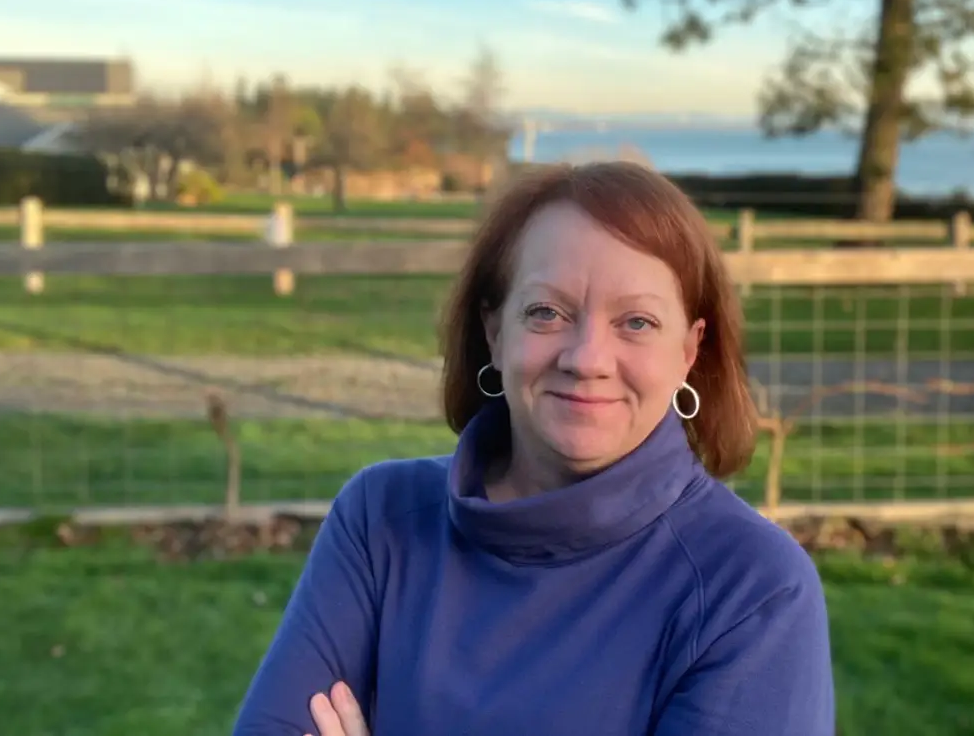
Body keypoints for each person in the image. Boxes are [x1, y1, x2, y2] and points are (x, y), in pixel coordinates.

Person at [231, 161, 836, 736]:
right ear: (495, 333)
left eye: (637, 322)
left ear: (689, 349)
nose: (586, 360)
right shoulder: (382, 520)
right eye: (547, 312)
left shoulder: (753, 591)